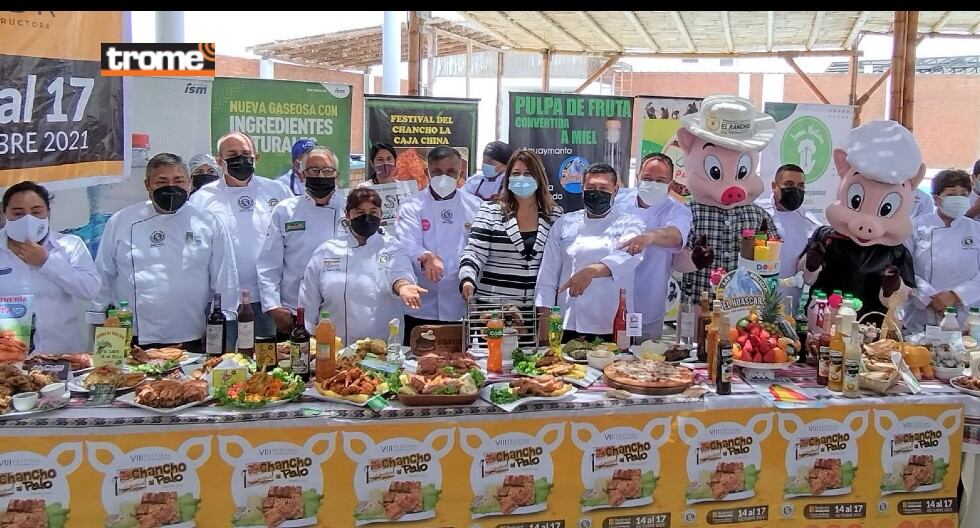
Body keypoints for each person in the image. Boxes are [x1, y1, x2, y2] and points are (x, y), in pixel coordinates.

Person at [90, 153, 239, 351]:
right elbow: (103, 275)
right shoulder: (122, 221)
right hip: (133, 335)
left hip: (192, 334)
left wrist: (220, 327)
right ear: (147, 185)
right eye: (162, 181)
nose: (171, 187)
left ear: (189, 183)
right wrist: (96, 320)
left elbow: (225, 279)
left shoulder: (207, 222)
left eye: (178, 180)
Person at [190, 132, 290, 347]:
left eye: (246, 154)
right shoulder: (202, 199)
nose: (240, 159)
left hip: (268, 300)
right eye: (232, 154)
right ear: (219, 161)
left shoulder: (278, 191)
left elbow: (291, 239)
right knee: (224, 363)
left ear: (257, 157)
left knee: (267, 363)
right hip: (220, 301)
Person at [535, 163, 645, 343]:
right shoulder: (565, 223)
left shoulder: (630, 224)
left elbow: (628, 258)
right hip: (568, 321)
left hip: (613, 322)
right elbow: (547, 276)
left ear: (615, 190)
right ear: (582, 189)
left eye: (603, 188)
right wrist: (544, 327)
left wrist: (591, 272)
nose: (597, 193)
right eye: (591, 188)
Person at [390, 146, 481, 344]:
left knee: (460, 364)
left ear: (461, 173)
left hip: (461, 302)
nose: (444, 178)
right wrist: (425, 256)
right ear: (427, 172)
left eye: (451, 172)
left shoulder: (476, 207)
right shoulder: (412, 206)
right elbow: (406, 243)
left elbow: (479, 249)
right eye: (438, 172)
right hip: (421, 303)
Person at [298, 188, 407, 344]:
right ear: (348, 216)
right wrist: (308, 335)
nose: (367, 217)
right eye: (360, 212)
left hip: (382, 347)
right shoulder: (327, 250)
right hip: (334, 345)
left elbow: (401, 272)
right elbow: (308, 297)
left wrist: (403, 286)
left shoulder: (392, 247)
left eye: (373, 212)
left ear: (381, 215)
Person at [258, 147, 347, 337]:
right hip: (293, 312)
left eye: (327, 170)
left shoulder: (349, 208)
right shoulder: (285, 211)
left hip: (341, 312)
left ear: (336, 174)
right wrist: (273, 306)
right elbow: (268, 264)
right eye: (314, 170)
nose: (320, 175)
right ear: (302, 174)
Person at [1, 182, 100, 354]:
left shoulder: (70, 245)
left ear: (48, 212)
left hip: (61, 354)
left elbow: (89, 289)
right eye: (18, 213)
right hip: (7, 356)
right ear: (5, 213)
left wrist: (47, 262)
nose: (28, 219)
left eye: (36, 212)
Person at [459, 149, 562, 300]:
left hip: (537, 311)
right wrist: (467, 279)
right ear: (508, 178)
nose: (521, 178)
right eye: (516, 173)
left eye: (528, 174)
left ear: (539, 178)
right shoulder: (490, 211)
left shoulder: (554, 215)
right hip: (493, 310)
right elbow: (475, 252)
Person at [617, 153, 693, 340]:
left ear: (670, 184)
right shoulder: (618, 200)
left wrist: (649, 237)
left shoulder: (677, 210)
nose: (652, 184)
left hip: (649, 300)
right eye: (647, 178)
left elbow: (675, 235)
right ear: (637, 177)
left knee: (647, 360)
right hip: (611, 299)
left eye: (660, 180)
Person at [903, 169, 980, 332]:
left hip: (964, 320)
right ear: (937, 198)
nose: (958, 199)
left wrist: (956, 295)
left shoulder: (976, 230)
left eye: (964, 194)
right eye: (952, 194)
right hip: (921, 316)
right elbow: (904, 267)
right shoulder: (916, 227)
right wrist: (929, 297)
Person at [764, 164, 821, 313]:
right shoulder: (756, 213)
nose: (795, 190)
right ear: (774, 186)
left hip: (787, 310)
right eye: (789, 185)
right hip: (749, 305)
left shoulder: (811, 225)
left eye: (800, 186)